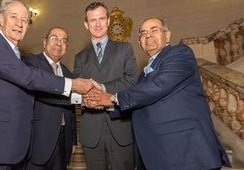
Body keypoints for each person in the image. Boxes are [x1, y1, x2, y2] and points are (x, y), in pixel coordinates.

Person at [0, 0, 93, 170]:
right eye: (14, 17)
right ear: (1, 20)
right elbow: (26, 76)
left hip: (11, 149)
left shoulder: (15, 55)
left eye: (25, 20)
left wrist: (83, 98)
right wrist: (72, 85)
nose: (20, 23)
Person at [84, 17, 232, 170]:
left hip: (186, 152)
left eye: (154, 30)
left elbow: (158, 86)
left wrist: (113, 98)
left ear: (167, 35)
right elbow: (140, 103)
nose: (148, 35)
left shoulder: (179, 54)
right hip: (159, 154)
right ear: (140, 42)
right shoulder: (143, 76)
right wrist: (101, 102)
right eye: (143, 33)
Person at [73, 2, 137, 170]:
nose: (98, 24)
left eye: (102, 18)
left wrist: (102, 87)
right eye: (93, 20)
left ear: (108, 21)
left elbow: (131, 80)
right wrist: (85, 98)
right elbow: (77, 88)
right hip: (91, 132)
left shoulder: (125, 49)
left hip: (120, 127)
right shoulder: (80, 57)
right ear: (86, 24)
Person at [23, 27, 77, 170]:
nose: (59, 43)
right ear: (44, 42)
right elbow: (40, 92)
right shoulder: (30, 63)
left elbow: (70, 111)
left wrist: (73, 140)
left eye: (64, 41)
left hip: (63, 142)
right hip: (38, 141)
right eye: (54, 38)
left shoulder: (68, 73)